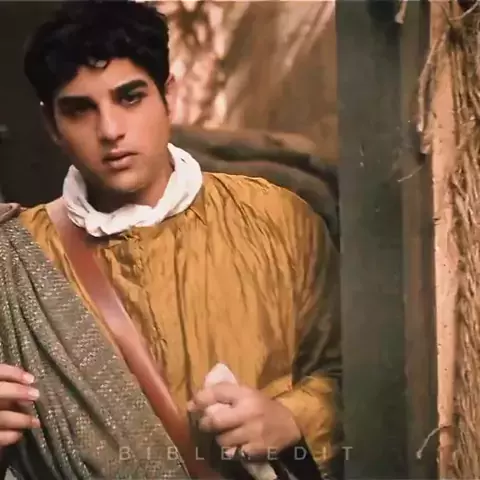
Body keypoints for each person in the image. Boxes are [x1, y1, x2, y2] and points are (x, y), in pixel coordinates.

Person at [0, 1, 341, 478]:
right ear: (52, 126)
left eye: (130, 98)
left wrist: (291, 419)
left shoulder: (277, 219)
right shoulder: (15, 259)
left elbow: (352, 376)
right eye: (80, 110)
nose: (110, 131)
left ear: (168, 95)